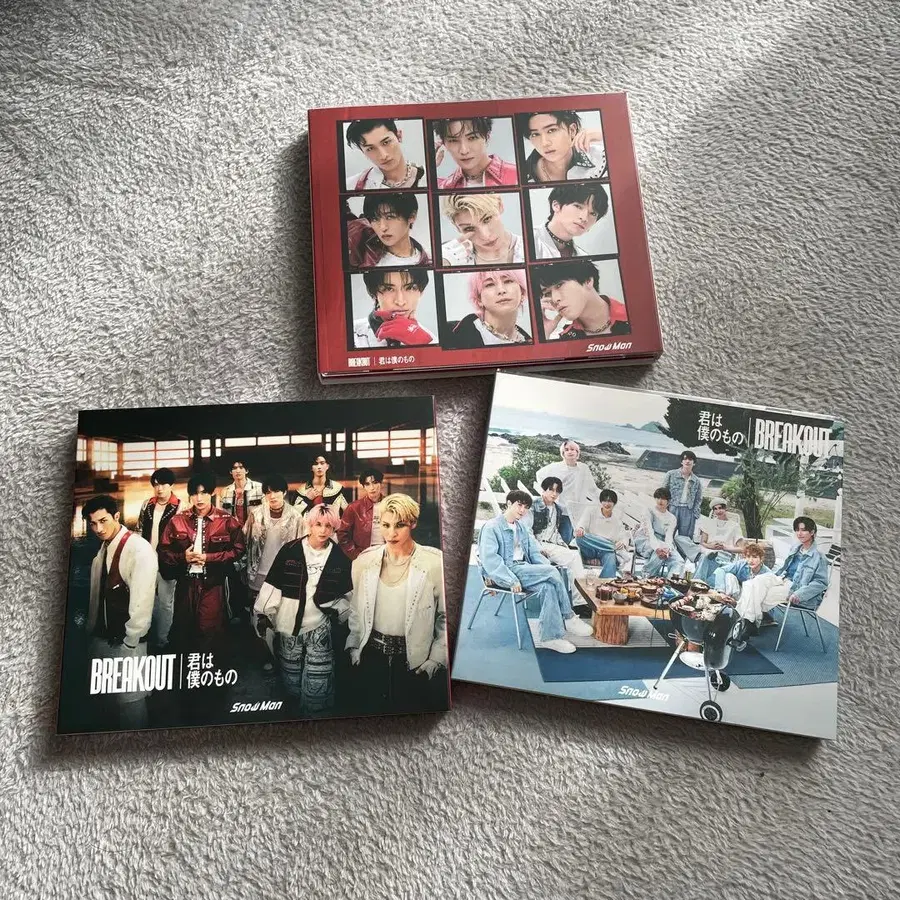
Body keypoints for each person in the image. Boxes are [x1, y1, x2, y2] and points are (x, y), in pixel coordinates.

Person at [347, 494, 448, 712]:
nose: (391, 533)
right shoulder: (364, 561)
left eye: (399, 525)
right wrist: (354, 647)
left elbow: (446, 616)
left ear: (413, 523)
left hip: (414, 662)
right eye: (385, 525)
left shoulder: (434, 563)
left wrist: (436, 659)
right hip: (371, 657)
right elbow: (355, 608)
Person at [254, 505, 353, 714]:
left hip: (320, 626)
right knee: (290, 679)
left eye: (328, 526)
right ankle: (293, 719)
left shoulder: (339, 556)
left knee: (319, 680)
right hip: (288, 623)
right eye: (318, 524)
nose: (323, 530)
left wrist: (340, 614)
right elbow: (274, 584)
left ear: (334, 528)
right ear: (310, 524)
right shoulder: (290, 550)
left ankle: (315, 720)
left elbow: (347, 593)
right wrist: (264, 614)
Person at [478, 490, 593, 654]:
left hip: (523, 568)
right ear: (509, 503)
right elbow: (491, 560)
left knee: (549, 586)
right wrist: (511, 580)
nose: (522, 510)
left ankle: (549, 638)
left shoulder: (521, 528)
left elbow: (534, 554)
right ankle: (568, 617)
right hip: (507, 572)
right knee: (552, 572)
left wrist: (545, 568)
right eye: (519, 505)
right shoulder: (492, 527)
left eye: (526, 507)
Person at [83, 495, 158, 729]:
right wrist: (91, 633)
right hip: (102, 639)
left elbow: (142, 602)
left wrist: (130, 641)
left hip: (127, 643)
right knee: (107, 704)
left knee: (131, 705)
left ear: (117, 516)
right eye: (93, 523)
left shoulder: (138, 549)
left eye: (103, 521)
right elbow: (96, 597)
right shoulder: (103, 549)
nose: (98, 529)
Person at [158, 471, 246, 652]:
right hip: (185, 585)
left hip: (213, 585)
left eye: (204, 493)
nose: (199, 498)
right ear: (190, 496)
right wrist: (183, 557)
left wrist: (209, 558)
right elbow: (163, 551)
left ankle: (209, 667)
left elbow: (238, 550)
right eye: (194, 493)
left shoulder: (226, 521)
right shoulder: (177, 520)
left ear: (212, 493)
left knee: (210, 631)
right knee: (183, 630)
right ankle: (186, 667)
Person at [730, 517, 829, 648]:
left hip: (795, 588)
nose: (799, 533)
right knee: (751, 583)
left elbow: (821, 582)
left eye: (804, 530)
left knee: (757, 594)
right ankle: (749, 624)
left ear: (812, 532)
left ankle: (746, 626)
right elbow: (785, 568)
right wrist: (774, 577)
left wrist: (800, 594)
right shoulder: (796, 548)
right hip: (781, 578)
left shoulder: (819, 556)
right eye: (797, 530)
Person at [136, 467, 182, 649]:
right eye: (155, 485)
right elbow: (139, 529)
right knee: (145, 599)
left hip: (168, 562)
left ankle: (163, 639)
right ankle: (146, 634)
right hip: (147, 561)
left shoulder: (180, 507)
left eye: (163, 484)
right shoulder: (147, 505)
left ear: (171, 485)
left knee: (165, 602)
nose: (159, 488)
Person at [532, 259, 629, 340]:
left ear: (588, 281)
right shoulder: (566, 339)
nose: (555, 299)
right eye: (547, 293)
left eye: (559, 285)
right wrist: (543, 335)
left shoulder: (633, 316)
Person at [526, 476, 586, 607]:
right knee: (574, 558)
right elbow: (527, 532)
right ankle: (579, 602)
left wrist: (564, 545)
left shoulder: (557, 509)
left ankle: (575, 600)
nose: (554, 494)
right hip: (538, 545)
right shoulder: (533, 506)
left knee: (574, 557)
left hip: (551, 545)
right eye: (551, 490)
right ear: (543, 490)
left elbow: (555, 531)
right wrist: (538, 548)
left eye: (557, 491)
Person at [219, 460, 263, 623]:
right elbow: (221, 517)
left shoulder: (259, 488)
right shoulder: (225, 491)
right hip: (234, 538)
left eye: (241, 467)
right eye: (234, 468)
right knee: (236, 574)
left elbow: (264, 512)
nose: (237, 470)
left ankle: (256, 611)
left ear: (247, 470)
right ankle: (238, 611)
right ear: (230, 472)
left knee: (255, 571)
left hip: (255, 537)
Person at [445, 269, 532, 349]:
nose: (501, 290)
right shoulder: (449, 334)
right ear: (479, 299)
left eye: (508, 281)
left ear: (522, 292)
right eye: (490, 284)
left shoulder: (528, 342)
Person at [353, 269, 437, 349]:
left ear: (421, 292)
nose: (400, 302)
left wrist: (422, 346)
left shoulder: (428, 339)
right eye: (389, 289)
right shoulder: (352, 334)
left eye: (410, 288)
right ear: (374, 294)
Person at [516, 110, 607, 182]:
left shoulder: (600, 158)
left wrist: (605, 135)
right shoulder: (521, 176)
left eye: (551, 130)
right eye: (535, 134)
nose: (544, 143)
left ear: (572, 130)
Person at [346, 194, 431, 268]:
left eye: (390, 217)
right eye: (375, 219)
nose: (383, 227)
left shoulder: (427, 263)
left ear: (411, 216)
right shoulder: (358, 242)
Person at [439, 194, 524, 266]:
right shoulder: (453, 259)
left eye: (487, 219)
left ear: (499, 205)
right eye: (469, 228)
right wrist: (442, 263)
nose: (485, 236)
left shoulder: (530, 247)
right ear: (457, 227)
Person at [432, 117, 518, 188]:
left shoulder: (517, 176)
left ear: (487, 137)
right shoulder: (444, 186)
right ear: (443, 143)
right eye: (453, 140)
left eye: (472, 138)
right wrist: (429, 167)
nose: (464, 151)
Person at [532, 183, 610, 259]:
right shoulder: (527, 242)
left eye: (593, 213)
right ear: (556, 205)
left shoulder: (584, 258)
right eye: (578, 206)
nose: (584, 218)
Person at [344, 118, 425, 190]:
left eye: (386, 142)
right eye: (370, 148)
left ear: (399, 136)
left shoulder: (428, 177)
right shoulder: (350, 185)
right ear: (363, 152)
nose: (383, 155)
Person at [535, 439, 601, 527]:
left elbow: (592, 488)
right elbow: (539, 474)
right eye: (566, 450)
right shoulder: (556, 467)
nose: (570, 452)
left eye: (573, 449)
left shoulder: (583, 468)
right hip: (561, 509)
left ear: (577, 452)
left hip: (577, 510)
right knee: (562, 532)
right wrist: (547, 492)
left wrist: (605, 499)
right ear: (563, 453)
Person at [575, 489, 629, 578]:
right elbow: (581, 524)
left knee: (611, 557)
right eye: (604, 501)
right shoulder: (591, 511)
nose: (607, 504)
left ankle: (606, 584)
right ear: (601, 501)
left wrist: (623, 542)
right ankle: (611, 547)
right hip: (590, 548)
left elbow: (624, 536)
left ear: (614, 503)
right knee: (580, 538)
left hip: (605, 552)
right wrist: (580, 529)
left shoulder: (616, 520)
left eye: (610, 501)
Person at [691, 498, 745, 583]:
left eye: (720, 508)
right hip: (709, 551)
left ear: (725, 508)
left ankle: (696, 583)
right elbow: (703, 542)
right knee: (706, 557)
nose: (718, 511)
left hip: (725, 554)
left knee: (706, 559)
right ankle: (698, 583)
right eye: (715, 509)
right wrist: (711, 546)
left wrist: (725, 547)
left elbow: (742, 549)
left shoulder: (734, 526)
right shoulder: (709, 523)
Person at [337, 468, 386, 560]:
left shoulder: (391, 505)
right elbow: (343, 534)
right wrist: (356, 555)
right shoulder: (354, 507)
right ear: (363, 486)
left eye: (375, 482)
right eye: (367, 484)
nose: (372, 487)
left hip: (387, 554)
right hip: (364, 555)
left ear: (381, 483)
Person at [633, 488, 682, 577]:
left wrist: (667, 548)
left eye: (663, 498)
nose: (660, 501)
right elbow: (649, 532)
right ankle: (648, 576)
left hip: (663, 542)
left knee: (678, 561)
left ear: (668, 501)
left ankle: (671, 581)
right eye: (658, 498)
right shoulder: (649, 511)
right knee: (658, 554)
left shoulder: (672, 518)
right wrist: (657, 548)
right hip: (645, 539)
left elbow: (669, 536)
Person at [662, 451, 703, 547]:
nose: (687, 461)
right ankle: (664, 553)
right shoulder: (671, 474)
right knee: (667, 534)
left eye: (690, 459)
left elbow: (698, 498)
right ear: (681, 461)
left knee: (685, 539)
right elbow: (663, 492)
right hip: (672, 508)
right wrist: (664, 508)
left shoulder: (696, 480)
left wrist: (695, 513)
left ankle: (682, 556)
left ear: (694, 463)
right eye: (685, 459)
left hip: (688, 510)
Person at [294, 454, 348, 519]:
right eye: (316, 464)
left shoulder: (338, 488)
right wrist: (307, 500)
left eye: (322, 463)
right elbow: (293, 516)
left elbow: (348, 515)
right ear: (311, 467)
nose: (319, 467)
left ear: (327, 466)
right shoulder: (301, 490)